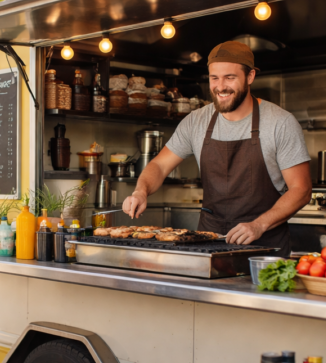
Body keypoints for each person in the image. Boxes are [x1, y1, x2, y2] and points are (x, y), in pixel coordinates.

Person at [122, 41, 311, 257]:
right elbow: (159, 165)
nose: (221, 86)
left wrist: (259, 225)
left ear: (250, 77)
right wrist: (141, 191)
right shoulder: (197, 121)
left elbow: (301, 189)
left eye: (230, 77)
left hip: (265, 247)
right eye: (214, 78)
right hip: (208, 244)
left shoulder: (280, 122)